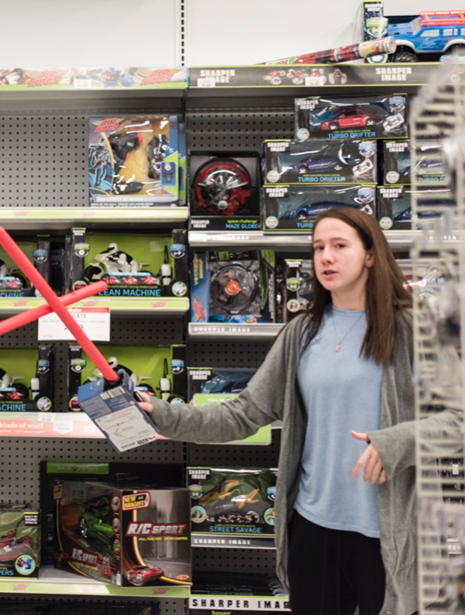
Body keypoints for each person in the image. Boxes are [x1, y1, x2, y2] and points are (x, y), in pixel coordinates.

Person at [137, 207, 458, 615]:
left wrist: (397, 442)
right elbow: (241, 414)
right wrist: (161, 412)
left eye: (339, 246)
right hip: (313, 526)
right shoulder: (302, 333)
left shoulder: (414, 329)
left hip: (387, 534)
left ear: (370, 255)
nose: (326, 257)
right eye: (318, 247)